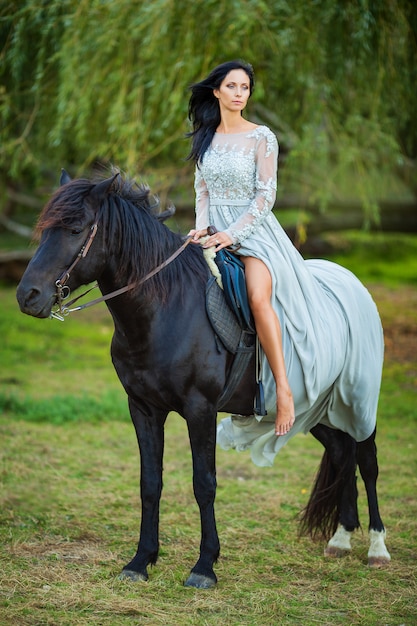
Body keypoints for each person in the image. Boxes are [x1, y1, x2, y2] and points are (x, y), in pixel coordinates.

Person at [186, 60, 295, 437]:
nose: (238, 94)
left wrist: (231, 235)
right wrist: (202, 229)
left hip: (254, 234)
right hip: (212, 231)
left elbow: (266, 197)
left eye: (244, 88)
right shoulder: (205, 136)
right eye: (231, 86)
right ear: (216, 91)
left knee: (257, 296)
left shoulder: (261, 137)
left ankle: (282, 388)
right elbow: (202, 191)